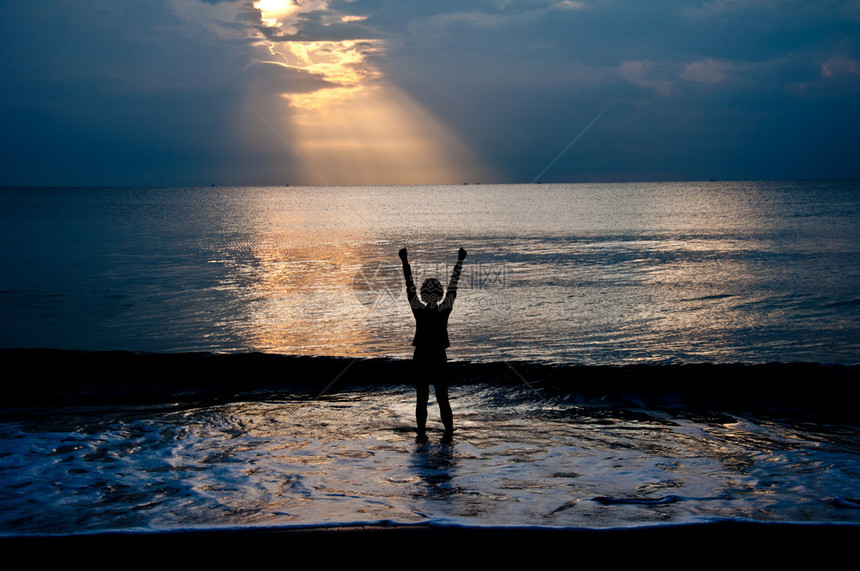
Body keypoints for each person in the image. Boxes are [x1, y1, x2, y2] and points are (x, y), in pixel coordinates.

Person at [399, 246, 466, 443]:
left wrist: (405, 261)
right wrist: (460, 260)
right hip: (437, 357)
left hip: (421, 357)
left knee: (422, 399)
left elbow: (409, 284)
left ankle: (422, 433)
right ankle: (448, 433)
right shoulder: (443, 310)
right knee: (442, 399)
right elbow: (454, 285)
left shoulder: (419, 310)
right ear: (439, 294)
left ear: (424, 294)